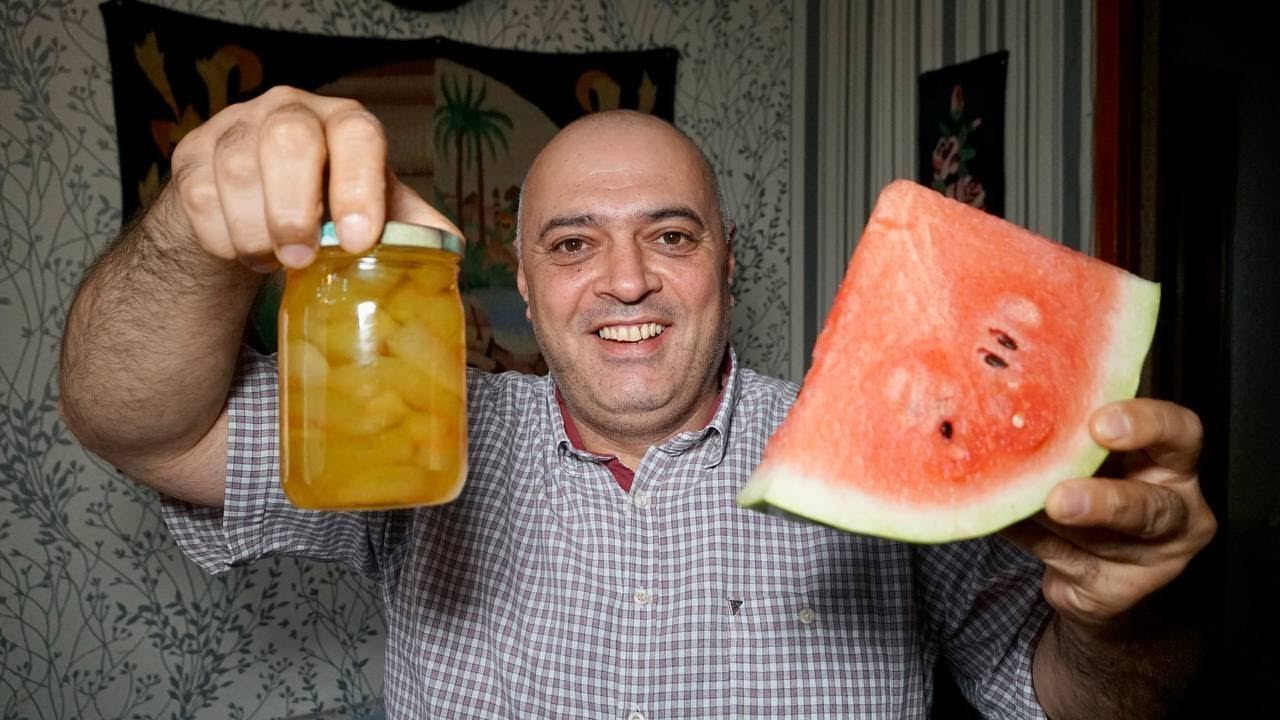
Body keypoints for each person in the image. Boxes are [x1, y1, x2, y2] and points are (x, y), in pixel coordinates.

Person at [59, 86, 1216, 719]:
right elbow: (144, 425)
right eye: (572, 244)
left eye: (670, 235)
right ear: (522, 282)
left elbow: (1072, 704)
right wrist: (193, 232)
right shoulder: (413, 436)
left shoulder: (871, 443)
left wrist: (1119, 620)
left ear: (726, 261)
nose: (625, 282)